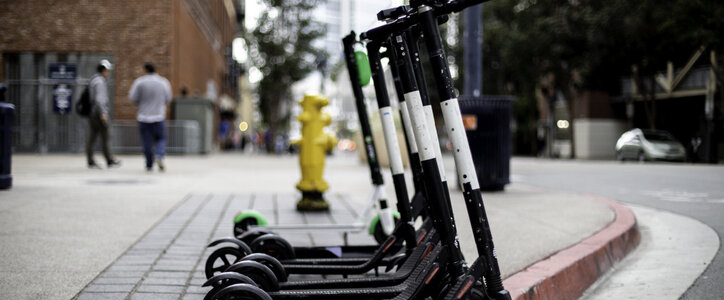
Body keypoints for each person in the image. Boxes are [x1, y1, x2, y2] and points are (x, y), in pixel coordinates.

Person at [129, 62, 172, 172]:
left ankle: (149, 164)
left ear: (145, 70)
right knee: (161, 138)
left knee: (146, 142)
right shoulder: (163, 82)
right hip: (158, 116)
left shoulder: (140, 82)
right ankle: (159, 155)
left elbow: (133, 98)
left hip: (143, 117)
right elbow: (168, 98)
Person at [86, 59, 121, 169]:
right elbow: (100, 99)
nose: (109, 73)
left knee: (93, 137)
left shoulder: (94, 80)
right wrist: (103, 113)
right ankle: (108, 159)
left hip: (93, 113)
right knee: (105, 136)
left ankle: (91, 159)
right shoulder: (100, 82)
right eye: (108, 70)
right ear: (103, 70)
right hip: (98, 114)